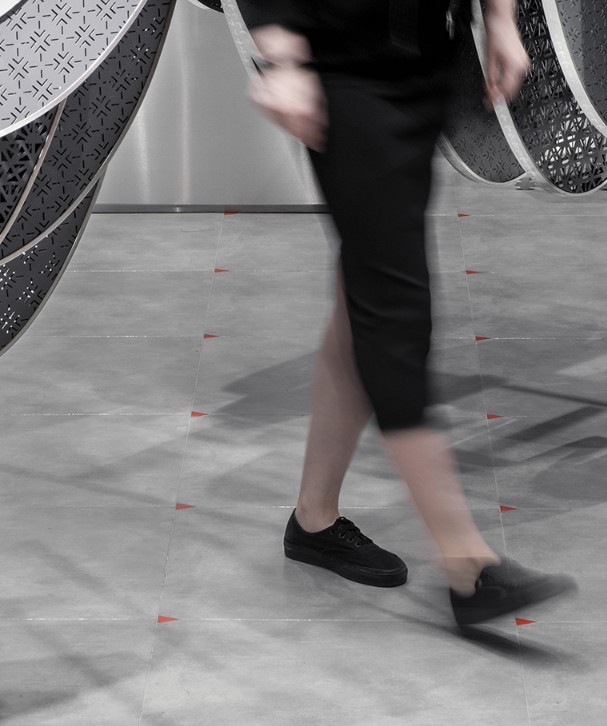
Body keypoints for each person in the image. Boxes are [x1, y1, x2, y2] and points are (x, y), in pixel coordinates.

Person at [241, 0, 576, 626]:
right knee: (394, 311)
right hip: (344, 69)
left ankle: (314, 518)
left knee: (364, 294)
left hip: (424, 58)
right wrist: (282, 57)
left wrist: (500, 18)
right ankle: (465, 564)